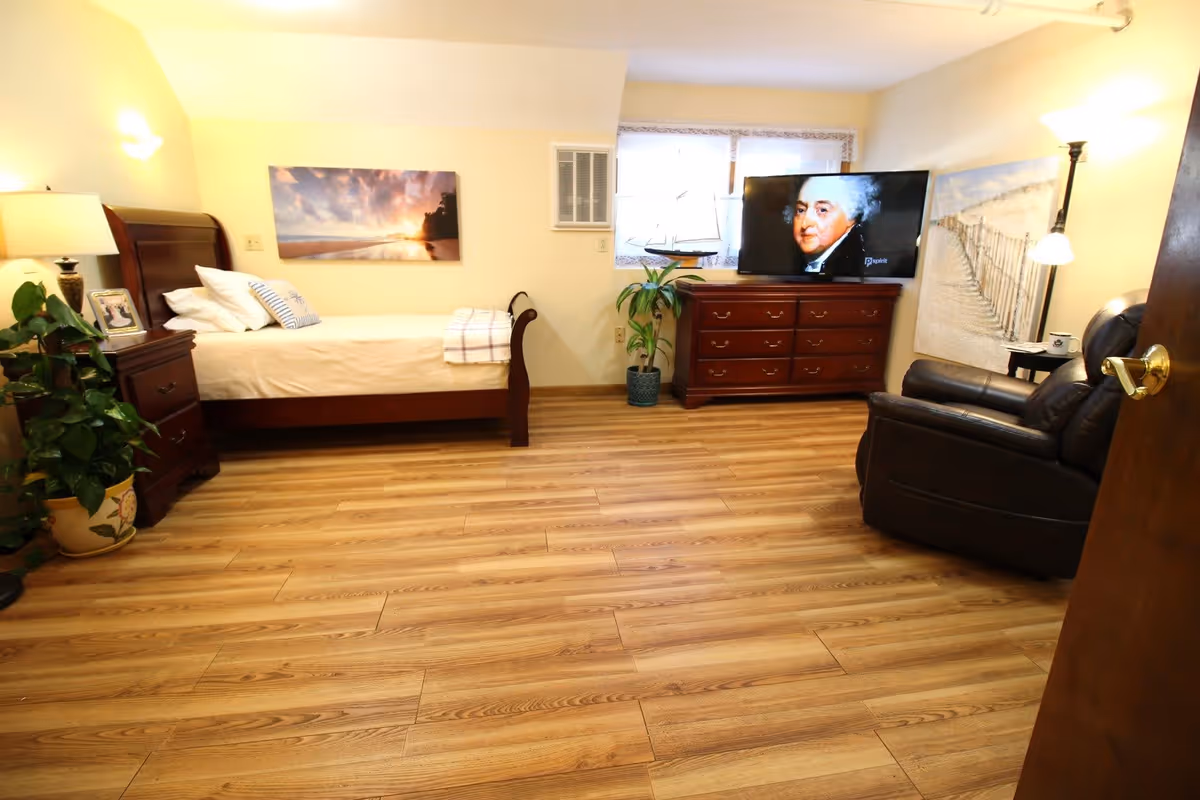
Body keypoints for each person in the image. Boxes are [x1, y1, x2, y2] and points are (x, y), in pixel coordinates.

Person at [791, 175, 880, 277]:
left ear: (851, 216)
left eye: (822, 210)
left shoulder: (855, 265)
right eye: (801, 210)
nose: (805, 224)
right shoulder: (797, 261)